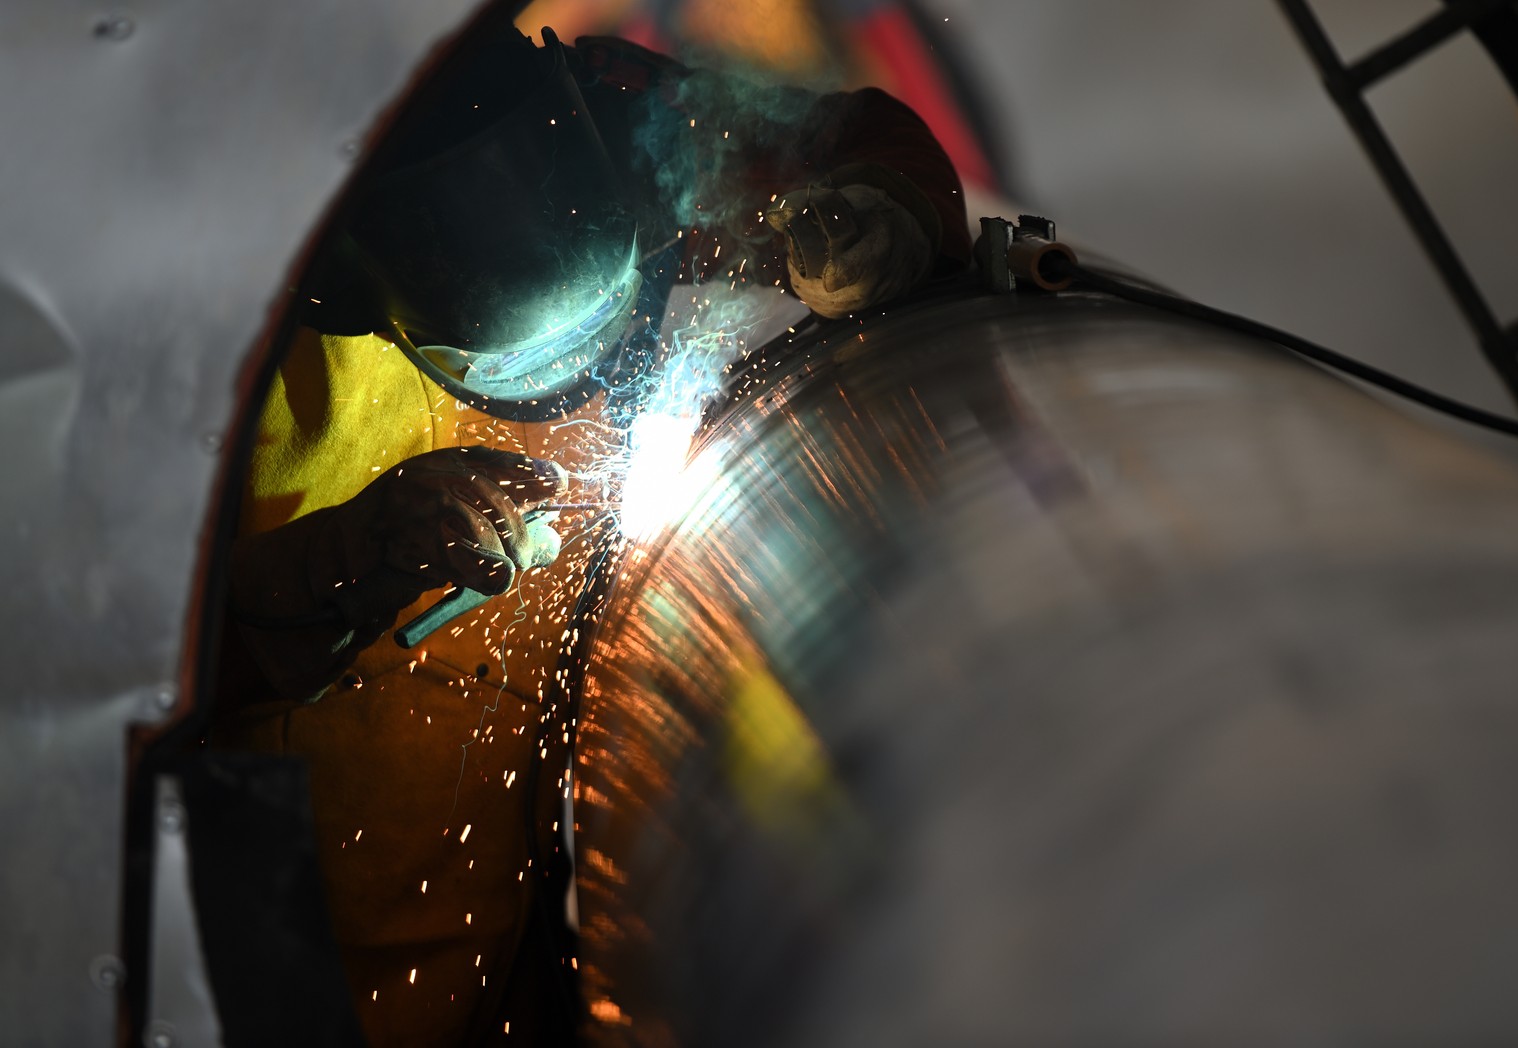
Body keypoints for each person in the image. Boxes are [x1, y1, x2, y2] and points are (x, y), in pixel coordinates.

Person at [213, 9, 968, 1044]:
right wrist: (349, 559)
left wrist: (881, 214)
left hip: (512, 948)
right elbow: (109, 670)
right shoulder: (231, 331)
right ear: (351, 281)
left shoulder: (603, 123)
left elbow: (857, 144)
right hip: (304, 965)